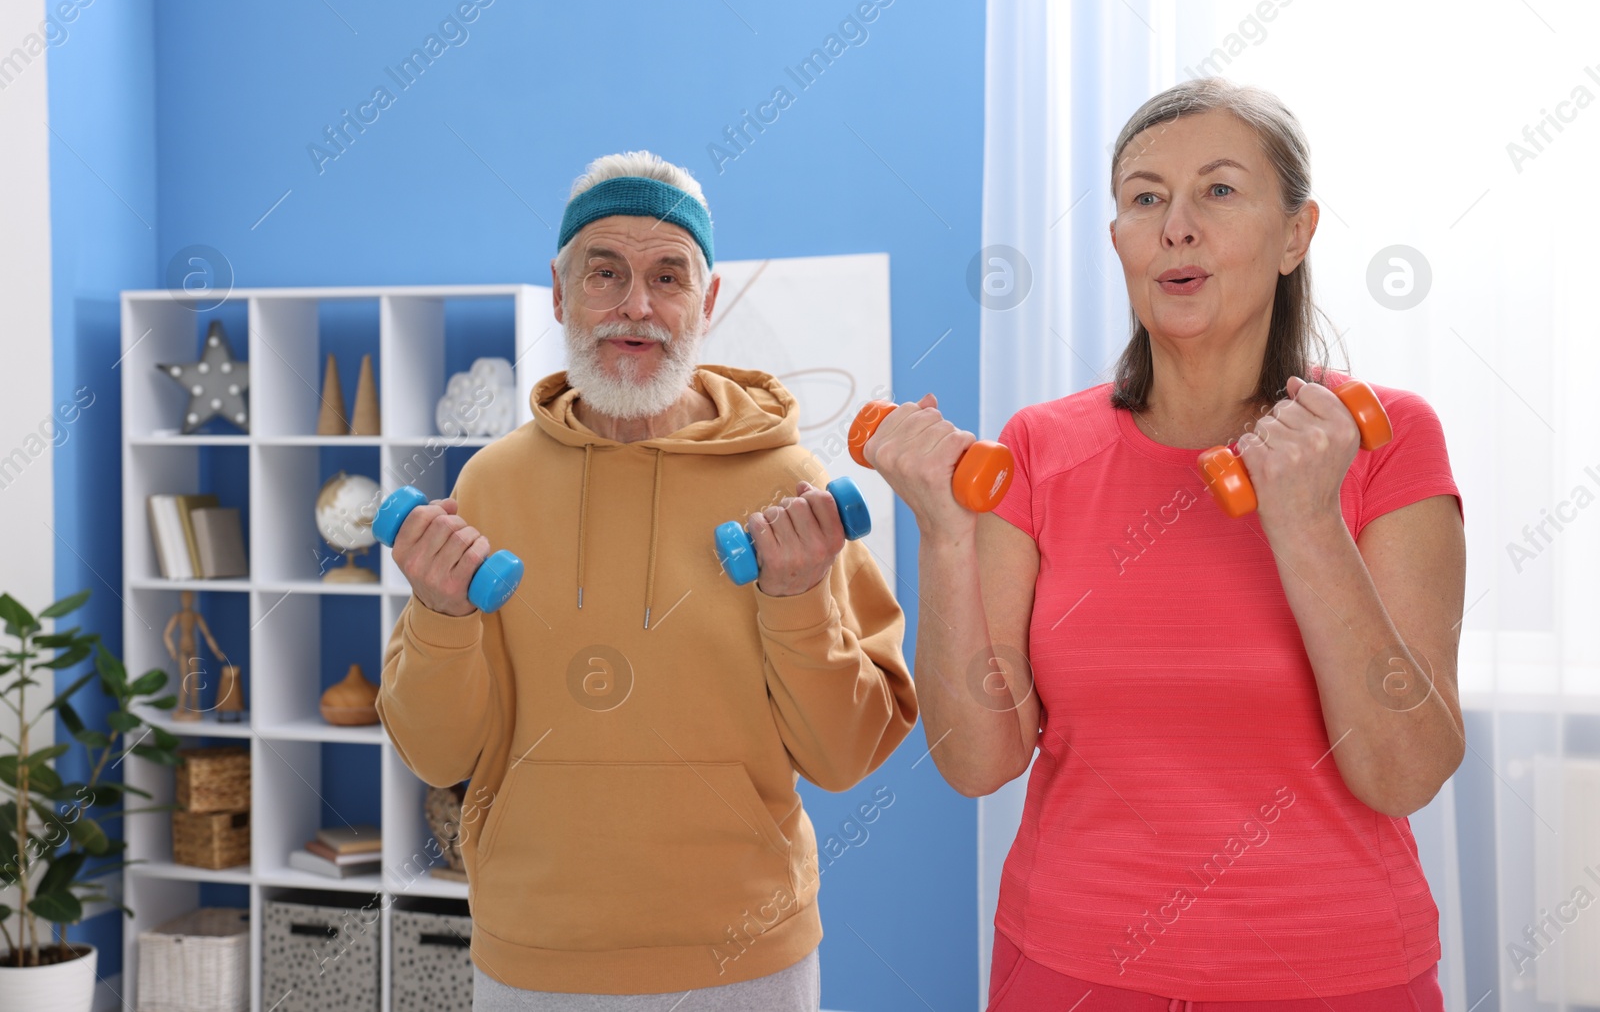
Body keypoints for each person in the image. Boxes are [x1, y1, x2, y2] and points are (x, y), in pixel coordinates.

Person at [864, 79, 1464, 1010]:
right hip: (1070, 968)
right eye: (1146, 198)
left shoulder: (1384, 438)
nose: (1176, 226)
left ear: (1297, 233)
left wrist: (1305, 521)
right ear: (1120, 242)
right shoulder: (1039, 447)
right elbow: (979, 761)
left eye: (1219, 191)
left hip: (1336, 972)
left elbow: (1406, 769)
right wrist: (944, 535)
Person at [374, 151, 916, 1012]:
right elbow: (437, 754)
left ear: (707, 300)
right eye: (605, 273)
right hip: (533, 954)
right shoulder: (488, 486)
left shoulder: (792, 484)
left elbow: (846, 755)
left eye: (669, 275)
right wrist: (441, 615)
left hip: (747, 955)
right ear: (559, 293)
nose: (636, 305)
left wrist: (798, 601)